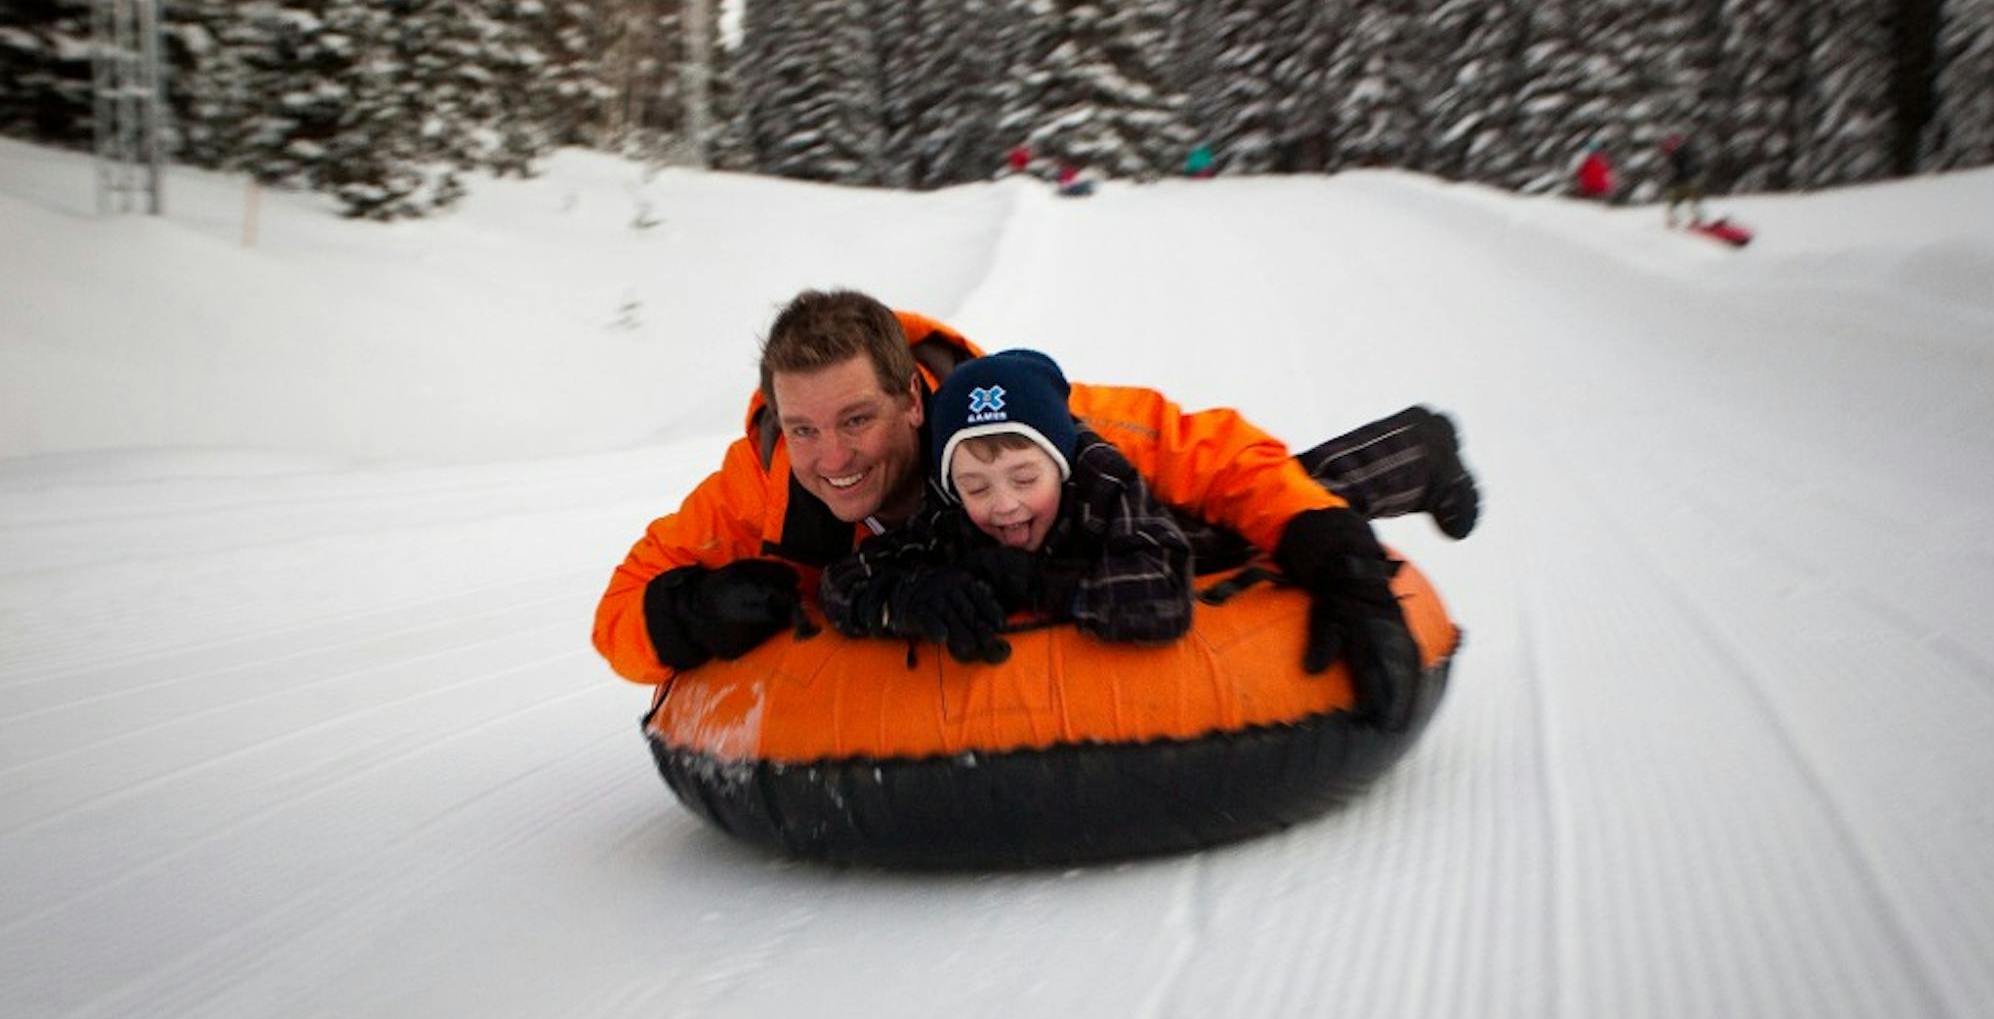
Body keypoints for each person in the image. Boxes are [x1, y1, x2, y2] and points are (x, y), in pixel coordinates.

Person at [591, 289, 1478, 731]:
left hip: (1084, 531)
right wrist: (685, 613)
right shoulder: (765, 484)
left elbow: (1207, 451)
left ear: (910, 402)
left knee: (1213, 528)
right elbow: (620, 611)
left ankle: (1410, 454)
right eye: (805, 427)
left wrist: (1338, 557)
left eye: (855, 420)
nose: (832, 458)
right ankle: (1408, 454)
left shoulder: (1002, 426)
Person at [819, 349, 1196, 664]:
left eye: (1025, 480)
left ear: (1060, 464)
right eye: (977, 487)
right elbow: (842, 582)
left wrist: (1037, 582)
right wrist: (915, 596)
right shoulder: (950, 514)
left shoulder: (1102, 483)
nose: (1004, 505)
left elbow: (1163, 590)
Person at [1662, 134, 1704, 227]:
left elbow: (1691, 167)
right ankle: (1674, 219)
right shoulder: (1673, 156)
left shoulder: (1683, 153)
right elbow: (1674, 171)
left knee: (1691, 199)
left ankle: (1696, 219)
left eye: (1672, 145)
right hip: (1679, 182)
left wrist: (1689, 172)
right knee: (1676, 201)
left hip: (1687, 181)